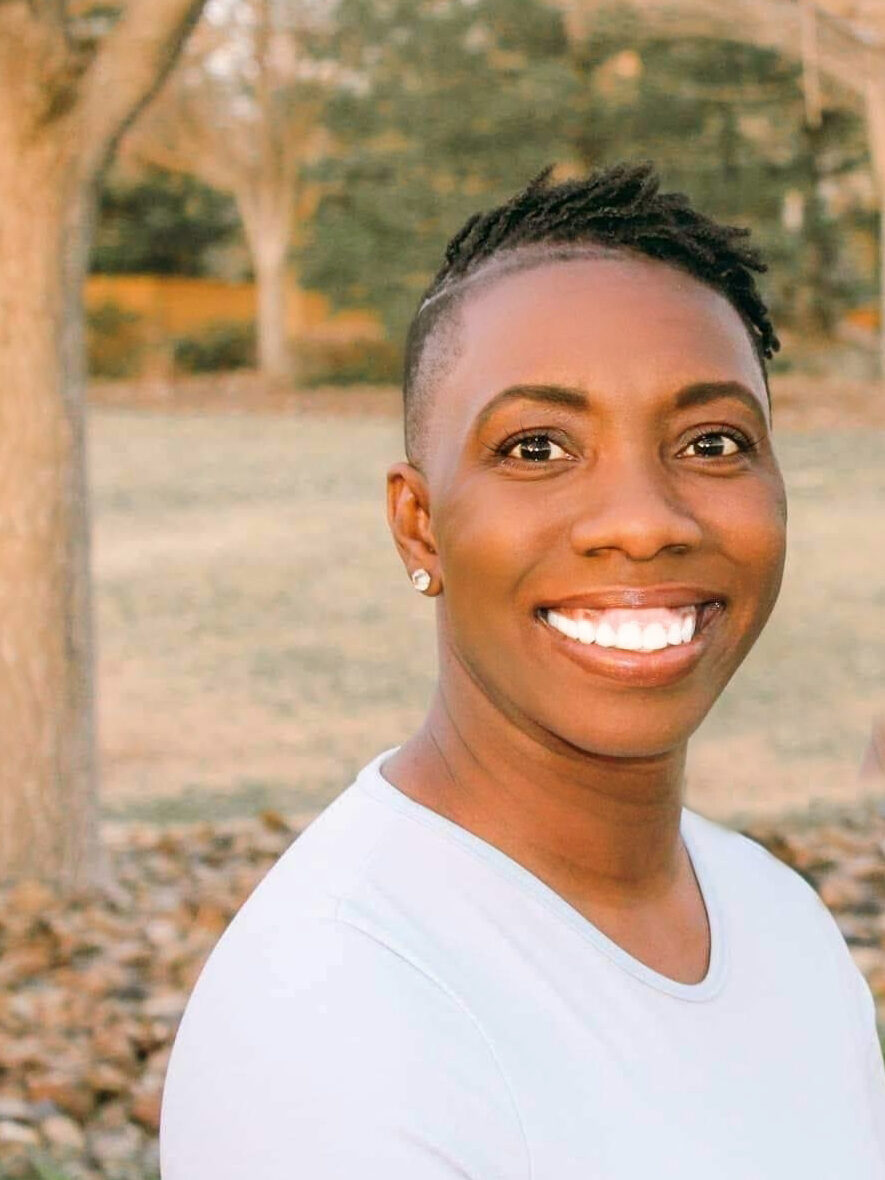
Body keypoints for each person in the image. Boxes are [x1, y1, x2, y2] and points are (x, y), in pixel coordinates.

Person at [159, 161, 885, 1178]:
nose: (643, 520)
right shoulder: (335, 1017)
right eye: (538, 447)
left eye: (712, 441)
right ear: (420, 526)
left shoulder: (779, 922)